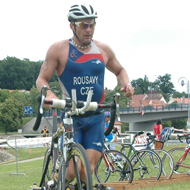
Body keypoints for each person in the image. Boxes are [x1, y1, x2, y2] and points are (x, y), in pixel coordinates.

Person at [36, 3, 134, 187]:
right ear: (71, 25)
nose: (89, 30)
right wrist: (51, 97)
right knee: (71, 170)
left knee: (86, 169)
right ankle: (56, 184)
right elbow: (41, 79)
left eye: (92, 24)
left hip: (96, 116)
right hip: (72, 117)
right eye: (83, 25)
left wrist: (126, 84)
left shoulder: (103, 49)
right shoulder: (58, 49)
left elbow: (120, 70)